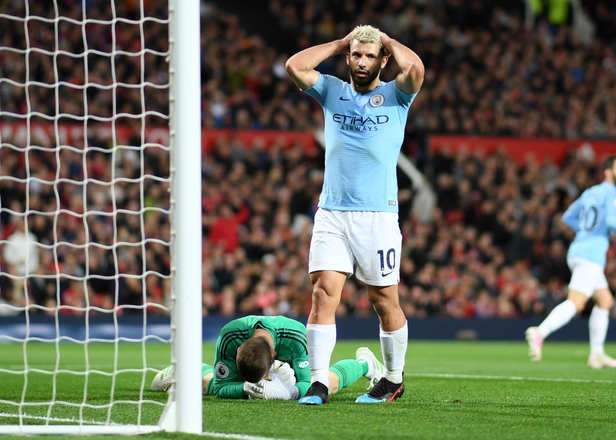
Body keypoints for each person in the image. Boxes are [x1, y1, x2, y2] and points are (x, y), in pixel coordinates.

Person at [285, 24, 424, 404]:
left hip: (378, 215)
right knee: (323, 293)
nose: (362, 62)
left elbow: (416, 70)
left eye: (369, 56)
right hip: (332, 211)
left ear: (382, 60)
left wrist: (389, 41)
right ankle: (317, 381)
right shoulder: (332, 90)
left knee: (383, 301)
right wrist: (339, 43)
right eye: (356, 55)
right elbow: (295, 66)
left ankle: (393, 379)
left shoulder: (396, 96)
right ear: (349, 58)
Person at [525, 156, 616, 368]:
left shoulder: (590, 192)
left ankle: (596, 354)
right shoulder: (614, 192)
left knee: (605, 301)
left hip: (578, 250)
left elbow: (568, 216)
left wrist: (586, 232)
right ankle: (540, 332)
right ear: (608, 172)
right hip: (591, 256)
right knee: (576, 303)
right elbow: (613, 221)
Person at [150, 315, 385, 400]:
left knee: (327, 386)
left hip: (292, 362)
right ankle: (181, 370)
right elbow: (221, 386)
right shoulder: (230, 336)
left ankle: (365, 363)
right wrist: (245, 388)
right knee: (209, 386)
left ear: (274, 356)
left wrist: (289, 392)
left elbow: (309, 385)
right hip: (252, 363)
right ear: (239, 348)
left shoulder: (296, 336)